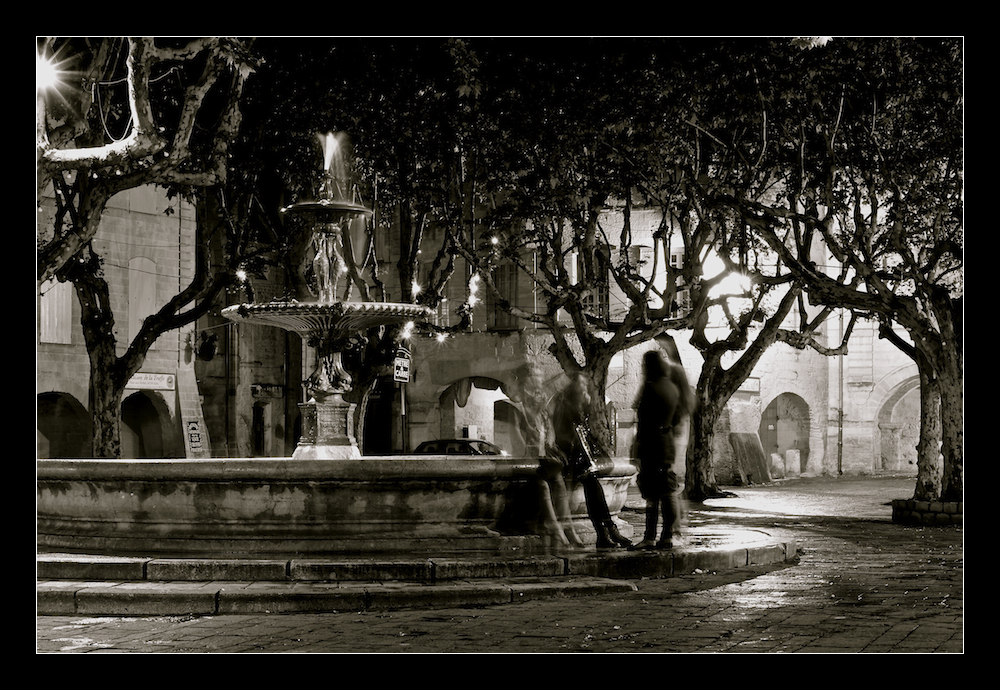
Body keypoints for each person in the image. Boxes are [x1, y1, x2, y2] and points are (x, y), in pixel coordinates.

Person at [551, 374, 632, 550]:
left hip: (580, 456)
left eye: (585, 385)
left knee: (592, 483)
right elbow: (560, 433)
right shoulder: (564, 404)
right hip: (569, 455)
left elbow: (586, 433)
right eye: (581, 384)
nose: (584, 388)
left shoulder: (583, 406)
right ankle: (608, 530)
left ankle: (605, 533)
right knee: (592, 482)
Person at [631, 351, 695, 549]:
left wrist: (638, 448)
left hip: (652, 444)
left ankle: (650, 537)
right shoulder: (672, 389)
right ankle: (666, 535)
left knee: (653, 493)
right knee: (667, 489)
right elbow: (676, 418)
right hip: (666, 442)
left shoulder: (651, 388)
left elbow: (643, 419)